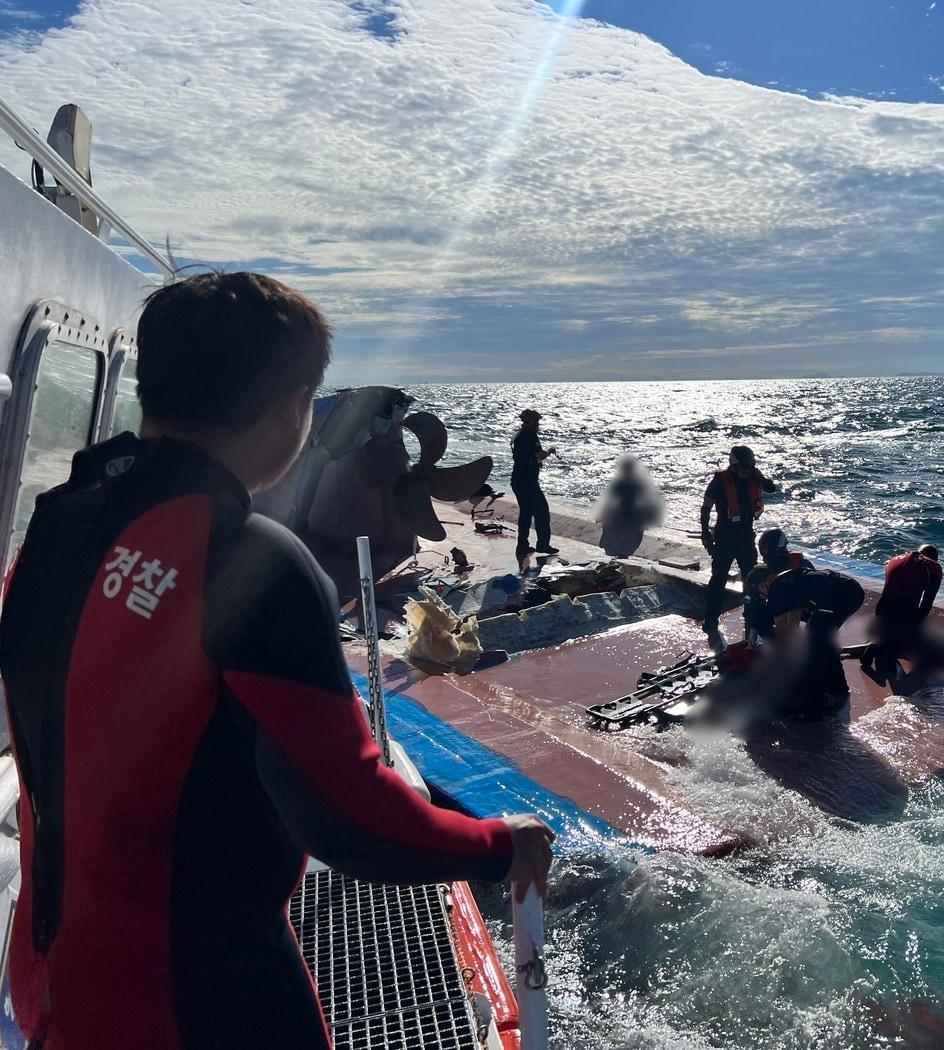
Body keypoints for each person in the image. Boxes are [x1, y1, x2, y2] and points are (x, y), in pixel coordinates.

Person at [0, 272, 555, 1050]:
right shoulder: (250, 559)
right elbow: (349, 818)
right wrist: (500, 844)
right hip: (193, 1004)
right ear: (293, 406)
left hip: (51, 977)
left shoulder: (61, 516)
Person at [745, 529, 864, 716]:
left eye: (760, 591)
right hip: (844, 592)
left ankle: (813, 706)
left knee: (815, 645)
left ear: (765, 582)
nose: (762, 596)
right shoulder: (784, 581)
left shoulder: (777, 590)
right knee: (819, 639)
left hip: (840, 597)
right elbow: (792, 625)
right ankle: (837, 689)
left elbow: (786, 637)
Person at [699, 445, 777, 634]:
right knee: (718, 579)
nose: (746, 472)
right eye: (743, 469)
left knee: (751, 579)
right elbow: (706, 508)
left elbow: (771, 488)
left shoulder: (754, 477)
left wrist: (760, 477)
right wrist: (705, 534)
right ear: (733, 466)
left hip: (745, 535)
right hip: (725, 536)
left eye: (749, 469)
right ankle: (711, 620)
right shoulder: (720, 481)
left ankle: (752, 616)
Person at [864, 544, 943, 683]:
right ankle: (881, 646)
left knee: (890, 631)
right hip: (903, 613)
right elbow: (927, 603)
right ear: (934, 558)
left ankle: (883, 639)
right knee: (909, 642)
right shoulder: (933, 567)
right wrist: (916, 630)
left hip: (882, 609)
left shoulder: (896, 559)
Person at [511, 408, 558, 560]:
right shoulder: (530, 436)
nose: (538, 425)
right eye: (536, 422)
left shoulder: (519, 436)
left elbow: (526, 457)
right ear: (530, 422)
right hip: (527, 482)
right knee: (541, 511)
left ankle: (522, 545)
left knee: (526, 513)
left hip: (518, 480)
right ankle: (542, 544)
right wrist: (549, 451)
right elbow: (539, 455)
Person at [599, 454, 662, 557]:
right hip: (633, 514)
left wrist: (603, 515)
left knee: (612, 533)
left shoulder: (619, 483)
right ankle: (623, 555)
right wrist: (653, 517)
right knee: (630, 538)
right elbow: (647, 500)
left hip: (620, 513)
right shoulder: (638, 483)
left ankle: (616, 554)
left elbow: (610, 501)